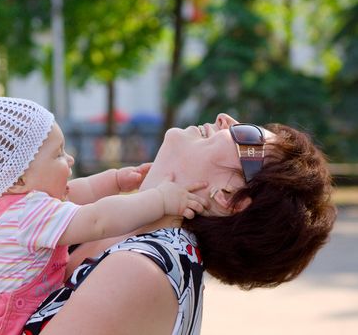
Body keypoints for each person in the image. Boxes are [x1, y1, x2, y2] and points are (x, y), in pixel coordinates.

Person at [22, 114, 337, 335]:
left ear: (231, 196)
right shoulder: (116, 231)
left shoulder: (142, 269)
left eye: (246, 136)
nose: (225, 119)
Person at [0, 97, 209, 335]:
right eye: (58, 154)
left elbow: (81, 190)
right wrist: (161, 199)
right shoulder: (30, 215)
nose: (69, 159)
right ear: (19, 179)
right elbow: (97, 221)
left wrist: (115, 180)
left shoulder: (7, 204)